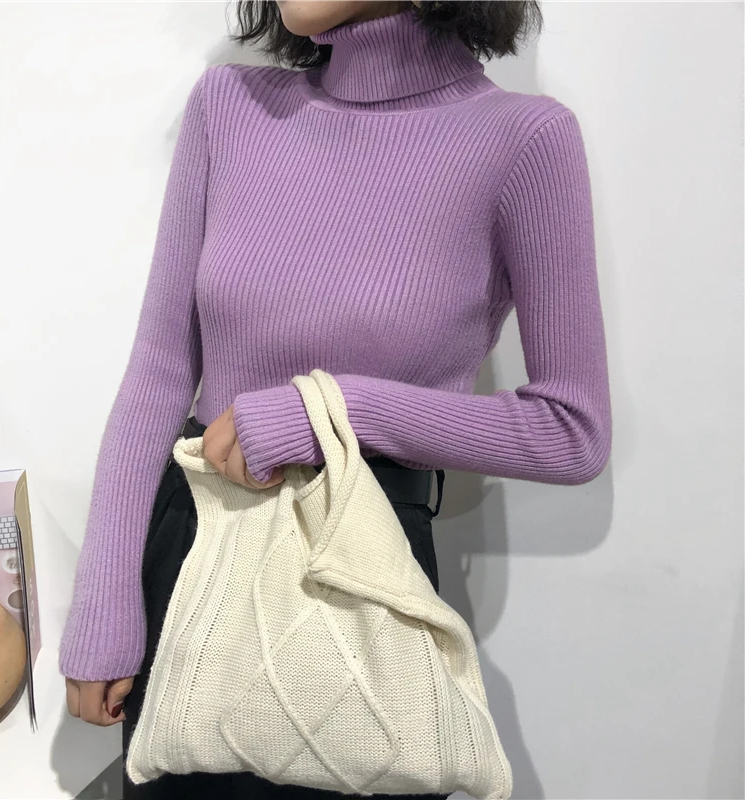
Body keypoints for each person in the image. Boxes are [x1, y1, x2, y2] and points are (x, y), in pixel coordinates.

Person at [59, 1, 612, 798]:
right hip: (191, 561)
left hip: (364, 578)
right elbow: (159, 369)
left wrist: (327, 411)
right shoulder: (230, 107)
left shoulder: (523, 140)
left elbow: (571, 429)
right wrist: (105, 606)